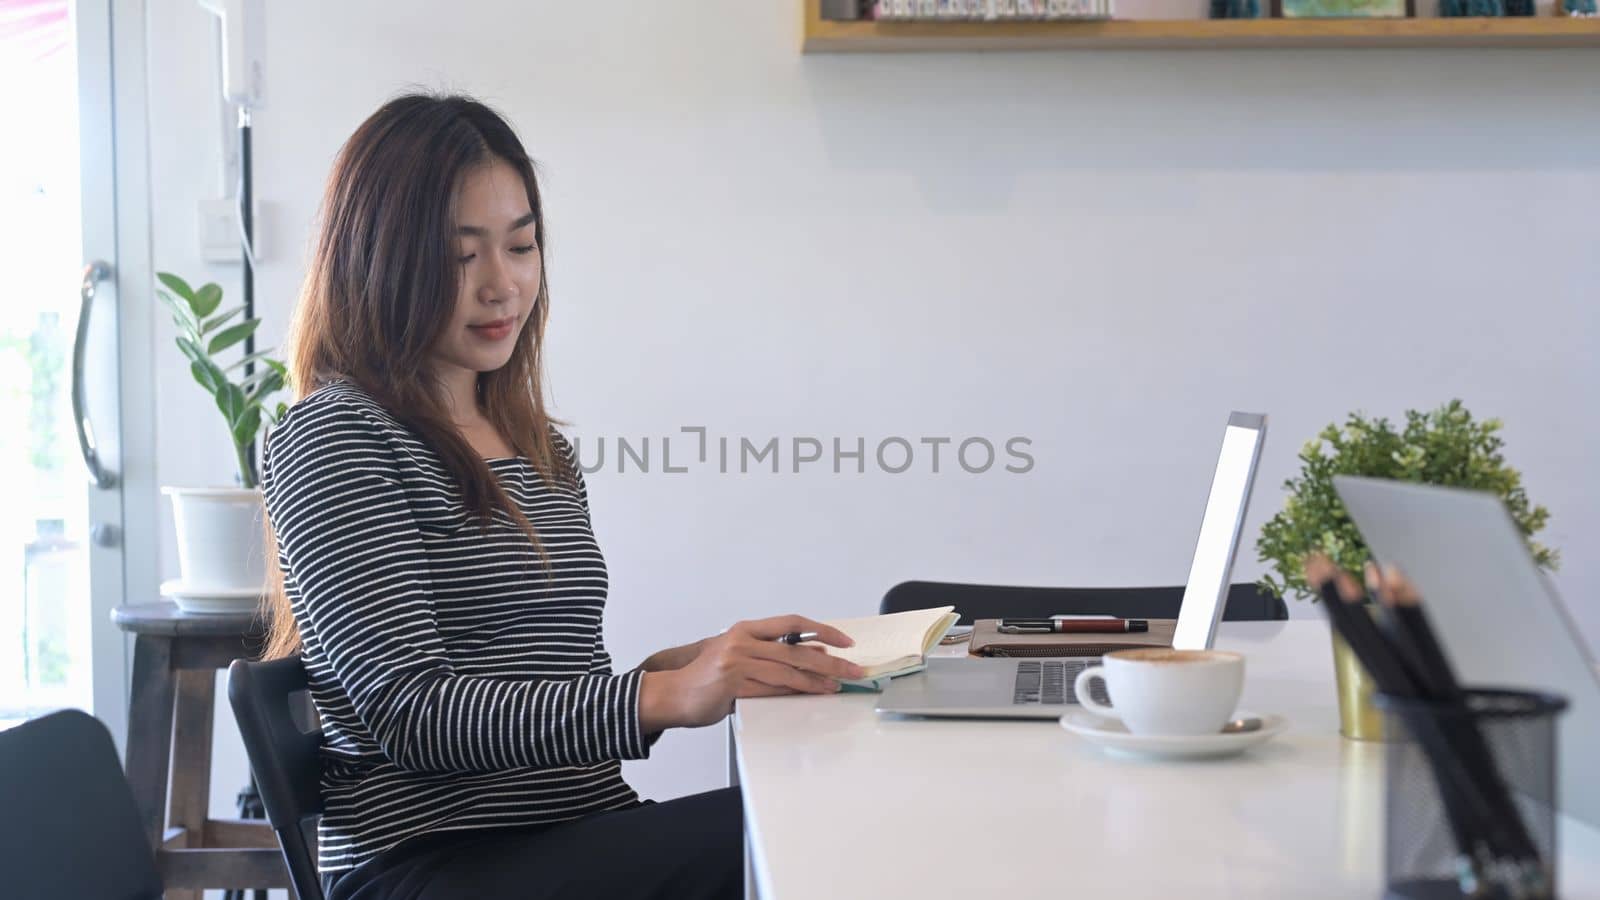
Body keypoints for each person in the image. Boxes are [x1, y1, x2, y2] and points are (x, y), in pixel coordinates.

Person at [258, 92, 865, 900]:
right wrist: (659, 697)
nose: (502, 285)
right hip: (428, 865)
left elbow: (546, 677)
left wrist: (685, 668)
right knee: (791, 831)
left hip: (571, 832)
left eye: (521, 246)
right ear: (377, 257)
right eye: (460, 255)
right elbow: (410, 714)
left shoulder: (537, 446)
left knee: (808, 811)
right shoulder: (335, 436)